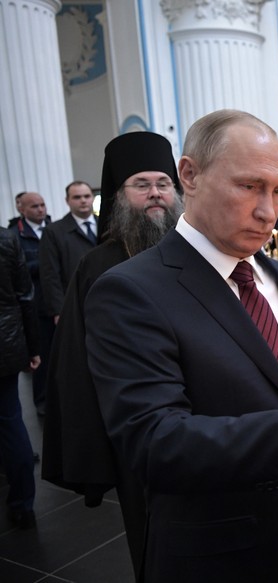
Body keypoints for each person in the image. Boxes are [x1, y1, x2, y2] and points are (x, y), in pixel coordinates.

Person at [84, 110, 278, 583]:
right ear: (189, 175)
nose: (267, 210)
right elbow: (155, 443)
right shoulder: (131, 291)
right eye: (248, 187)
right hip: (222, 556)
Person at [41, 131, 184, 580]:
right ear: (119, 196)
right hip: (135, 429)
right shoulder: (97, 264)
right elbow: (76, 364)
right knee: (155, 541)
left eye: (164, 182)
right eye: (141, 184)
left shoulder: (194, 251)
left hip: (205, 417)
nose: (156, 192)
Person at [0, 228, 39, 529]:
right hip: (7, 341)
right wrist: (32, 346)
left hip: (7, 338)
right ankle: (22, 502)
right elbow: (24, 294)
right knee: (11, 421)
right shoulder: (6, 237)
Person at [9, 191, 53, 414]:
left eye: (42, 205)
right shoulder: (15, 236)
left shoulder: (54, 230)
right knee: (42, 358)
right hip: (36, 305)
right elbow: (20, 270)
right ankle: (43, 402)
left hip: (56, 301)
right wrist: (47, 262)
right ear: (22, 210)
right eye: (34, 206)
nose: (40, 209)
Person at [39, 181, 98, 322]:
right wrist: (58, 310)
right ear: (67, 201)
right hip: (74, 302)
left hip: (108, 296)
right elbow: (50, 274)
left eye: (87, 196)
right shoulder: (54, 231)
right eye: (77, 197)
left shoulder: (107, 225)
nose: (83, 200)